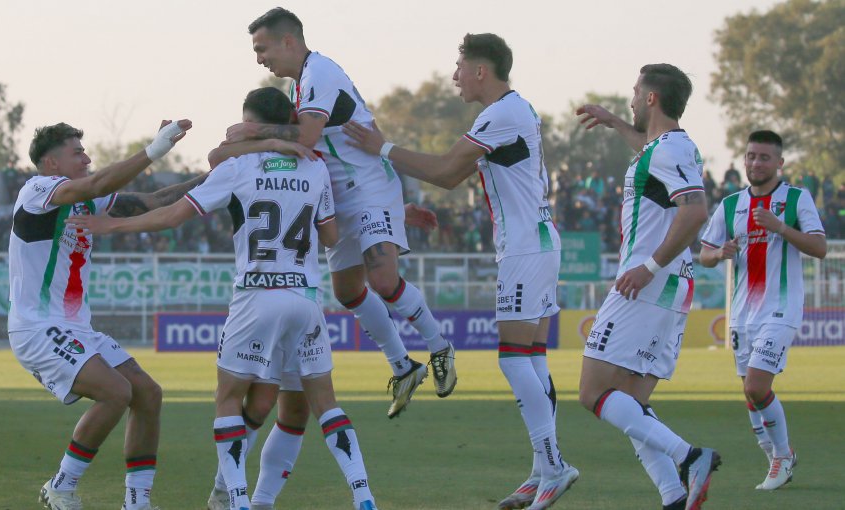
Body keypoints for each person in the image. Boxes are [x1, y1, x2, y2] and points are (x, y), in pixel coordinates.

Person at [68, 87, 381, 510]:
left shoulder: (237, 167)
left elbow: (175, 214)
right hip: (306, 297)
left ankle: (236, 500)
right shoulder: (314, 167)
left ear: (247, 123)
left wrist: (112, 227)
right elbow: (329, 236)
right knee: (324, 403)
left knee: (228, 399)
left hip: (257, 295)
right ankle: (363, 494)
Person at [344, 33, 578, 510]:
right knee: (531, 360)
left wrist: (382, 148)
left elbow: (448, 173)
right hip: (534, 244)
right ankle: (541, 470)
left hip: (526, 249)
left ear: (480, 70)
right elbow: (457, 173)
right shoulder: (516, 111)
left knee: (514, 359)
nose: (454, 76)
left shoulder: (502, 113)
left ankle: (554, 466)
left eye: (459, 66)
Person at [225, 7, 457, 419]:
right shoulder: (301, 86)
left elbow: (310, 136)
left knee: (383, 280)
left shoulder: (321, 73)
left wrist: (255, 131)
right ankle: (403, 366)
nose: (259, 58)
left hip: (367, 190)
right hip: (342, 198)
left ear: (289, 41)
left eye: (262, 49)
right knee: (349, 292)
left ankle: (439, 346)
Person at [9, 118, 194, 510]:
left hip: (75, 327)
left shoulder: (86, 198)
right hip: (37, 328)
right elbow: (96, 184)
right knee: (115, 391)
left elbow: (154, 202)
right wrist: (153, 149)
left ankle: (137, 502)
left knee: (148, 394)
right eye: (77, 153)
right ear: (51, 164)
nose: (88, 158)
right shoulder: (36, 190)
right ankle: (61, 485)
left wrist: (220, 174)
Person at [575, 64, 720, 510]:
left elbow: (695, 212)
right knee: (631, 404)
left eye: (636, 93)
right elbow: (649, 150)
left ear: (652, 99)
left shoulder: (669, 149)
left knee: (593, 392)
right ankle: (673, 495)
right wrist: (617, 123)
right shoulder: (670, 146)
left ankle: (690, 456)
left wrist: (650, 266)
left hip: (645, 283)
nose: (632, 98)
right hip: (669, 286)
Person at [700, 130, 826, 490]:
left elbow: (819, 248)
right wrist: (718, 252)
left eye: (765, 157)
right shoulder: (730, 204)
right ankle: (773, 455)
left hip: (780, 307)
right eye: (752, 156)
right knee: (749, 393)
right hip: (742, 312)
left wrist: (782, 228)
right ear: (745, 160)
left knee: (757, 387)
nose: (756, 163)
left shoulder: (797, 198)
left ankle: (782, 456)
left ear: (780, 163)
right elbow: (705, 253)